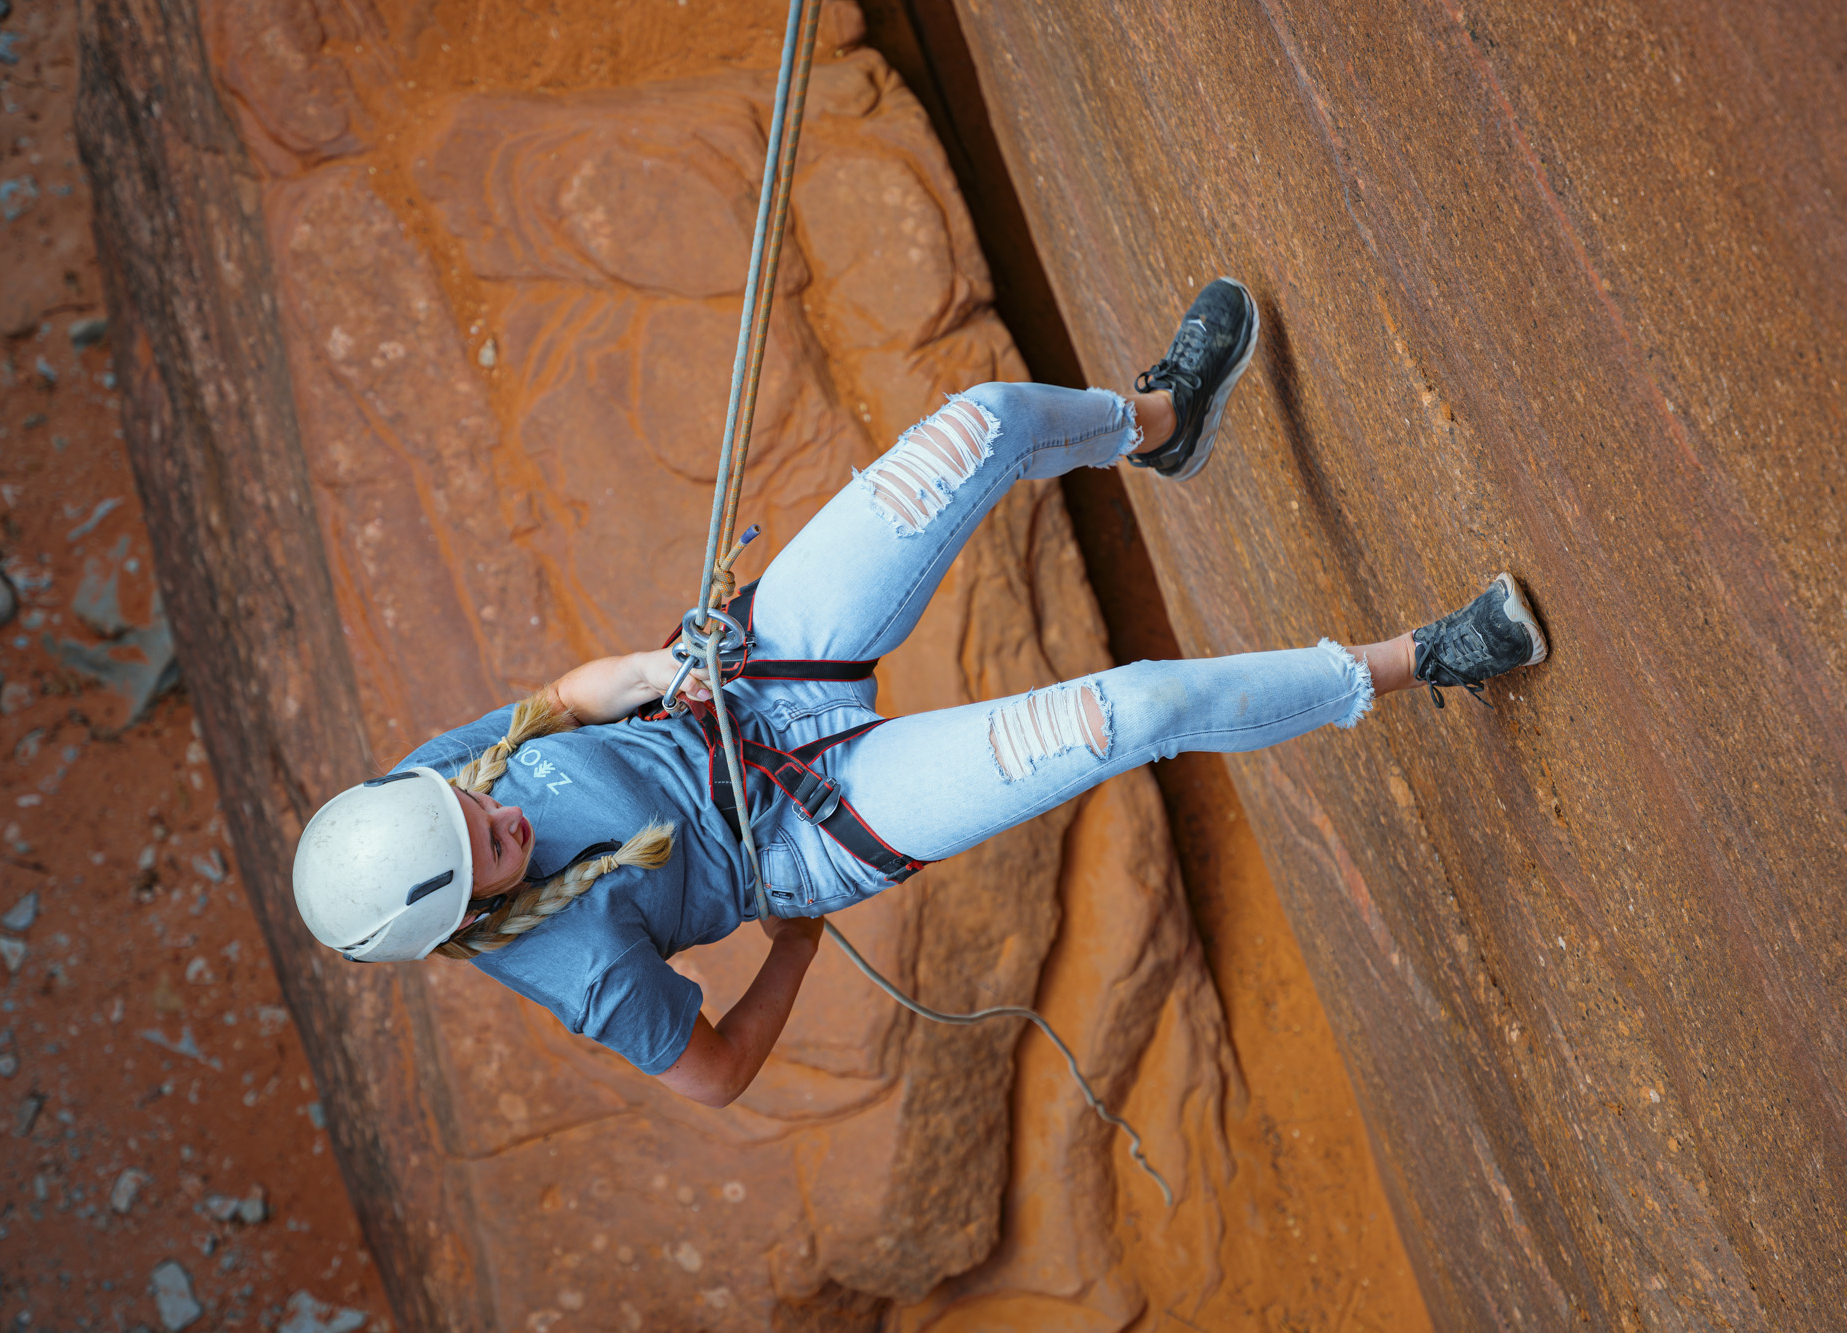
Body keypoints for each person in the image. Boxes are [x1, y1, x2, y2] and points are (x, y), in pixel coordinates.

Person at [291, 278, 1548, 1107]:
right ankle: (1423, 659)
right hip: (807, 828)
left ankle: (1159, 422)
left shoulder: (431, 789)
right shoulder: (580, 974)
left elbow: (554, 702)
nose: (491, 813)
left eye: (468, 804)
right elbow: (716, 1075)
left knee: (979, 423)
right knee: (1128, 716)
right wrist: (788, 951)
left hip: (737, 678)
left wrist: (650, 671)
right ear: (458, 921)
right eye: (486, 849)